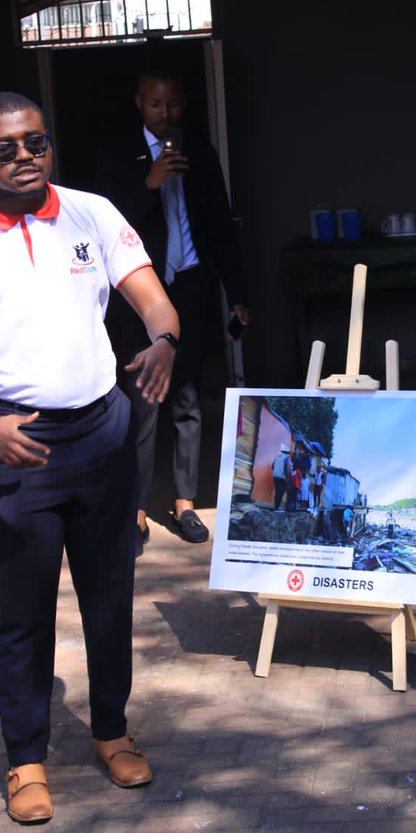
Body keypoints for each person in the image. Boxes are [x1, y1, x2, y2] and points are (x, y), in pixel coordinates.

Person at [0, 92, 180, 824]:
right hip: (17, 446)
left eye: (34, 143)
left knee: (108, 599)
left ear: (50, 146)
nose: (22, 157)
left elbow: (155, 304)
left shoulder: (93, 214)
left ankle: (111, 731)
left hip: (102, 434)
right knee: (23, 611)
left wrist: (164, 342)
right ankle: (26, 761)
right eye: (3, 147)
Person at [95, 71, 248, 553]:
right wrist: (150, 181)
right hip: (143, 298)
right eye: (157, 105)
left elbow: (221, 225)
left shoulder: (200, 154)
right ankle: (137, 510)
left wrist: (236, 292)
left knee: (188, 398)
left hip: (193, 288)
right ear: (139, 104)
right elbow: (106, 224)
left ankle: (185, 502)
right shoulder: (117, 156)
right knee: (142, 405)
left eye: (174, 105)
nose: (166, 115)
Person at [272, 444, 290, 511]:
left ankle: (275, 506)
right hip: (282, 478)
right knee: (281, 492)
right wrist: (287, 478)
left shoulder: (276, 456)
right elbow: (286, 468)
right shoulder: (286, 457)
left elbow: (272, 466)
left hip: (275, 476)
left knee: (277, 492)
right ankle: (277, 507)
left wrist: (276, 471)